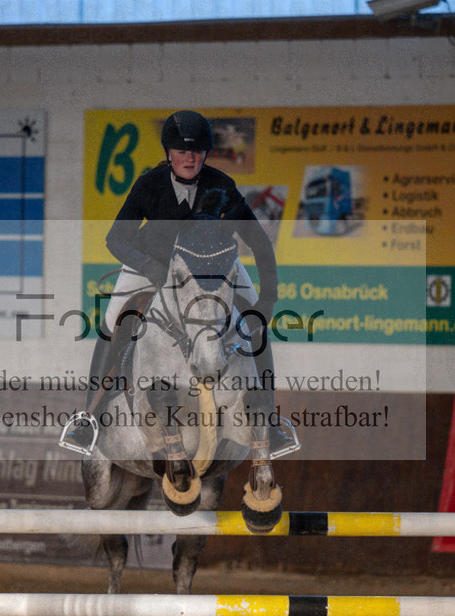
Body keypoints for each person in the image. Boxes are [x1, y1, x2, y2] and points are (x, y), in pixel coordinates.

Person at [62, 110, 298, 456]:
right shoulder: (149, 184)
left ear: (205, 154)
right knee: (112, 323)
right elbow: (115, 239)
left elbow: (260, 243)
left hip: (212, 267)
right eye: (182, 152)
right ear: (169, 154)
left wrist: (267, 301)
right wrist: (147, 265)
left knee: (256, 328)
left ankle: (272, 423)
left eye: (197, 152)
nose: (190, 159)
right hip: (151, 265)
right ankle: (90, 418)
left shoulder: (222, 186)